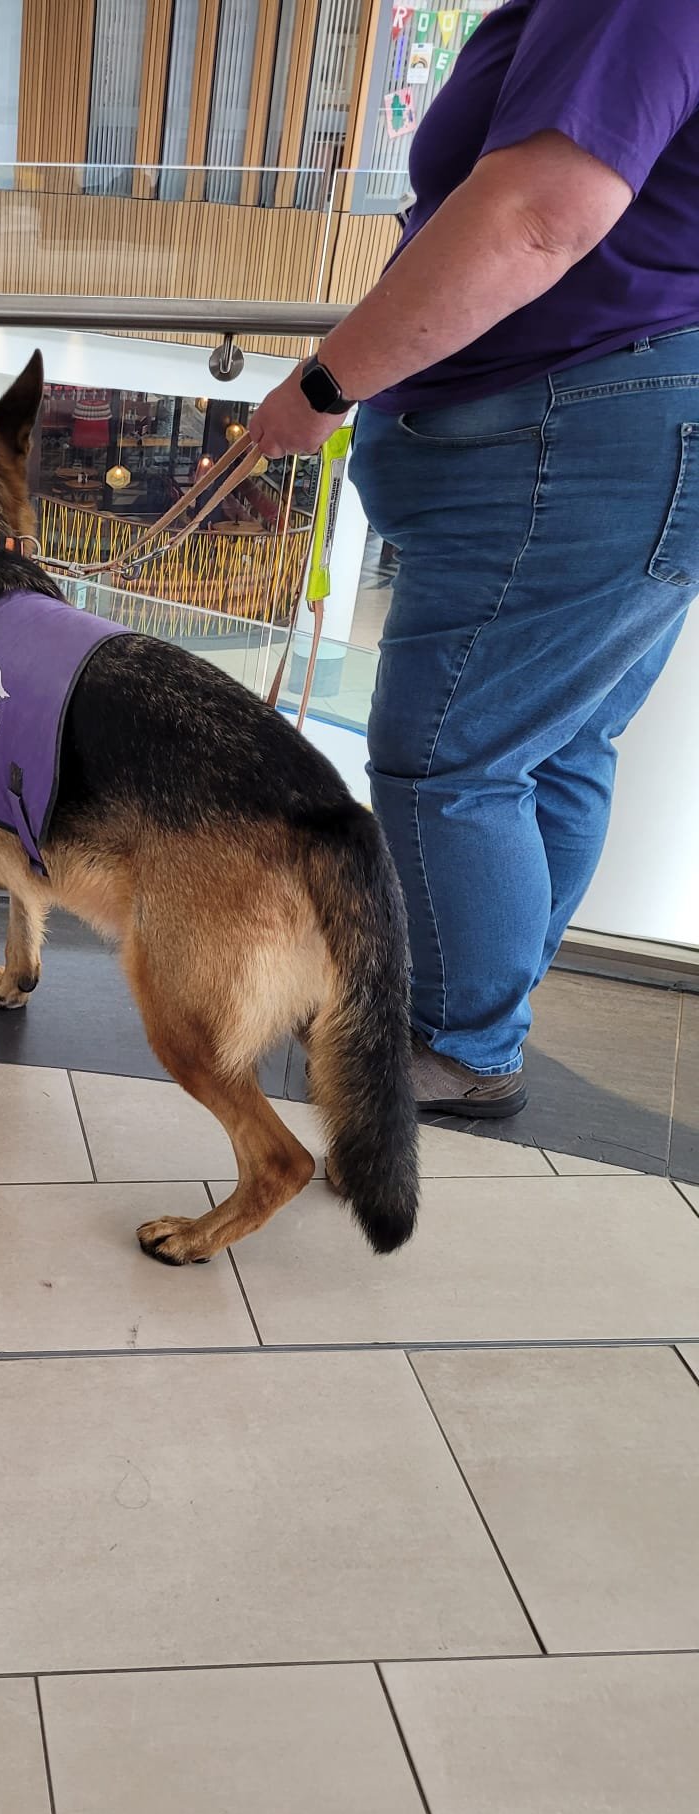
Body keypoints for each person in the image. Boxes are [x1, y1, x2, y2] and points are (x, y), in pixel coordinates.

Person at [248, 0, 699, 1118]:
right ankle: (478, 1002)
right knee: (555, 745)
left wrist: (323, 386)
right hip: (625, 423)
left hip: (580, 422)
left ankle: (457, 1038)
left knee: (448, 760)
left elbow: (538, 216)